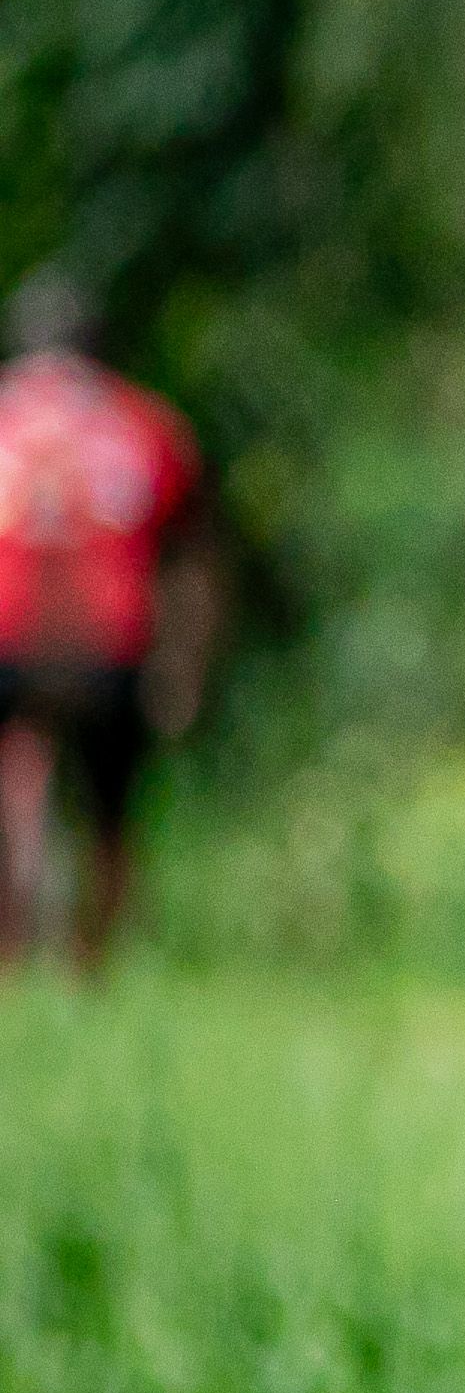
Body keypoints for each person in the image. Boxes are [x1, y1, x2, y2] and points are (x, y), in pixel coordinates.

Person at [0, 268, 217, 975]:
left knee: (17, 774)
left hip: (10, 640)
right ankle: (93, 966)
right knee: (110, 818)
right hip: (109, 647)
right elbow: (190, 556)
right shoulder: (145, 422)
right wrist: (182, 669)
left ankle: (14, 955)